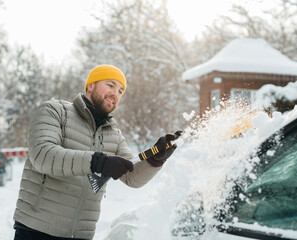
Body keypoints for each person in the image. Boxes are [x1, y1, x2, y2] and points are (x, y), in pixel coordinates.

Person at [13, 64, 181, 240]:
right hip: (36, 230)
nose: (115, 93)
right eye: (110, 85)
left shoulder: (113, 134)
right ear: (90, 86)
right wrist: (98, 162)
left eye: (120, 91)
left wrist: (155, 160)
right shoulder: (55, 111)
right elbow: (43, 155)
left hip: (81, 234)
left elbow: (132, 176)